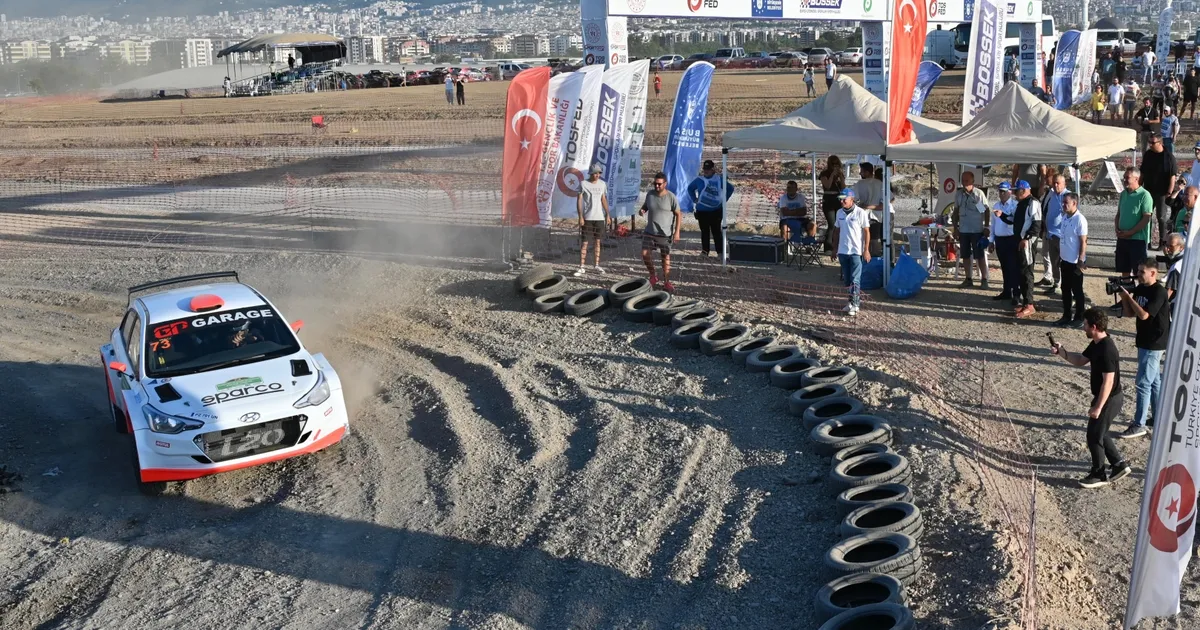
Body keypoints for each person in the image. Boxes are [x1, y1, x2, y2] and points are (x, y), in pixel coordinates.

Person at [1048, 308, 1133, 489]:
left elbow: (1108, 382)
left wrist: (1098, 407)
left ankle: (1098, 474)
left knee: (1093, 435)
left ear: (1094, 327)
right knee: (1100, 431)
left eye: (1085, 324)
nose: (1083, 328)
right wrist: (1061, 352)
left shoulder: (1107, 349)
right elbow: (1080, 360)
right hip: (1107, 397)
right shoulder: (1097, 343)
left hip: (1109, 398)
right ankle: (1118, 464)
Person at [1114, 257, 1171, 439]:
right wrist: (1125, 298)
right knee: (1153, 382)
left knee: (1143, 383)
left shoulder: (1159, 291)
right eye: (1137, 271)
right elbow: (1130, 313)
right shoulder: (1140, 288)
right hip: (1144, 340)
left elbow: (1144, 315)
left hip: (1154, 342)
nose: (1137, 275)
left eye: (1141, 272)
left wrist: (1130, 299)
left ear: (1153, 273)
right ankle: (1157, 417)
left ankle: (1139, 424)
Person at [1115, 169, 1156, 311]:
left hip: (1137, 240)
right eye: (1124, 177)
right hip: (1123, 239)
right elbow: (1119, 214)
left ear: (1136, 178)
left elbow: (1146, 218)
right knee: (1124, 270)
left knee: (1140, 272)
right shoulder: (1123, 194)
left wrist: (1131, 232)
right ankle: (1125, 300)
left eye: (1127, 177)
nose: (1124, 179)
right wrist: (1117, 228)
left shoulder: (1145, 195)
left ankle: (1140, 301)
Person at [639, 172, 682, 293]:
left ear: (665, 184)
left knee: (665, 257)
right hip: (650, 231)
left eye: (659, 184)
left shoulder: (671, 197)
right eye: (655, 184)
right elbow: (645, 206)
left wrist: (677, 232)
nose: (657, 186)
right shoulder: (650, 194)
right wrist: (642, 210)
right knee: (645, 254)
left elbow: (679, 214)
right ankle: (653, 275)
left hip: (665, 233)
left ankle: (666, 282)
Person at [830, 188, 871, 315]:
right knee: (847, 280)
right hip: (843, 251)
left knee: (855, 279)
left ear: (851, 199)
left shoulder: (860, 213)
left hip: (856, 251)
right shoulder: (839, 212)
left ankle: (856, 304)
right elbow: (836, 231)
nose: (842, 202)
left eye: (844, 199)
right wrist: (834, 248)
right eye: (840, 199)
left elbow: (866, 231)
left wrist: (866, 250)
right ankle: (850, 302)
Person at [686, 159, 734, 257]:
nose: (706, 171)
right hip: (702, 211)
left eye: (708, 169)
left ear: (713, 170)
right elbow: (690, 188)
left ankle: (720, 252)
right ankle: (705, 251)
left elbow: (730, 188)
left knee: (716, 232)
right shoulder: (699, 180)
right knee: (705, 232)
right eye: (705, 169)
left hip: (716, 211)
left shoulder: (719, 180)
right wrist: (694, 199)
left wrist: (724, 200)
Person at [1056, 192, 1089, 328]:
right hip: (1065, 260)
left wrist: (1081, 260)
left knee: (1077, 290)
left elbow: (1083, 241)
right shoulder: (1065, 217)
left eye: (1066, 203)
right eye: (1063, 202)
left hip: (1075, 262)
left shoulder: (1080, 219)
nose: (1063, 205)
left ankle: (1079, 317)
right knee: (1065, 288)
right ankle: (1066, 315)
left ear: (1074, 203)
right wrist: (1060, 256)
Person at [953, 171, 990, 289]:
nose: (964, 183)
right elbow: (955, 212)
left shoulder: (978, 194)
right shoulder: (959, 194)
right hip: (964, 230)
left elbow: (986, 210)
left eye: (967, 180)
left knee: (979, 255)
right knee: (965, 255)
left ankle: (984, 279)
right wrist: (955, 228)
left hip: (976, 230)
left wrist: (986, 227)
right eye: (963, 180)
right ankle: (968, 278)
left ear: (972, 181)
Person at [1141, 132, 1178, 248]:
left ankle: (1162, 241)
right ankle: (1147, 241)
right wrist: (1139, 187)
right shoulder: (1148, 155)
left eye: (1153, 143)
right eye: (1149, 142)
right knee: (1147, 216)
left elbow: (1172, 176)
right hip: (1148, 190)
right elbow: (1142, 172)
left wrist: (1169, 192)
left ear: (1160, 143)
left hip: (1162, 192)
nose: (1150, 145)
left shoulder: (1169, 157)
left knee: (1161, 217)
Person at [1012, 180, 1043, 318]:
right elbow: (1014, 220)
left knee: (1027, 272)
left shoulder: (1033, 203)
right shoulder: (1021, 203)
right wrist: (1002, 216)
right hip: (1019, 241)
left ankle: (1030, 304)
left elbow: (1037, 224)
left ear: (1023, 190)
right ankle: (1025, 302)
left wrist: (1026, 238)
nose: (1014, 193)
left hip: (1027, 243)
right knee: (1021, 272)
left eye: (1016, 191)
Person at [575, 165, 609, 277]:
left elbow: (603, 199)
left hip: (599, 217)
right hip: (588, 217)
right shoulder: (583, 184)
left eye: (599, 173)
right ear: (591, 173)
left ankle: (597, 265)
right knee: (585, 243)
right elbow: (579, 200)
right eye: (595, 173)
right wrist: (580, 216)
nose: (597, 175)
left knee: (598, 242)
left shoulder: (602, 184)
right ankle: (581, 266)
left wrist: (607, 214)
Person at [1038, 174, 1068, 293]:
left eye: (1058, 183)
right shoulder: (1052, 195)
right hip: (1050, 234)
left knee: (1062, 262)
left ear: (1064, 184)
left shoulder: (1067, 196)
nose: (1055, 185)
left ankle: (1065, 286)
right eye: (1054, 183)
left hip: (1061, 235)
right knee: (1054, 261)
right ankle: (1056, 283)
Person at [992, 182, 1020, 303]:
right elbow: (993, 224)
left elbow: (1013, 220)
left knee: (1013, 267)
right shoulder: (996, 205)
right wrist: (991, 240)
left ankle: (1016, 293)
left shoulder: (1015, 205)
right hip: (1000, 239)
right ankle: (1007, 291)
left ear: (1010, 192)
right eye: (1000, 191)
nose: (1002, 194)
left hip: (1011, 239)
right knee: (1004, 267)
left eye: (1004, 191)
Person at [820, 156, 846, 252]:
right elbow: (827, 186)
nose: (835, 166)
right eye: (833, 164)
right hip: (828, 199)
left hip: (838, 199)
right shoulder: (824, 173)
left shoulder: (840, 174)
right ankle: (828, 247)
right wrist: (832, 175)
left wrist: (841, 177)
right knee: (832, 224)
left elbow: (843, 188)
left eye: (837, 164)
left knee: (839, 223)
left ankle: (837, 245)